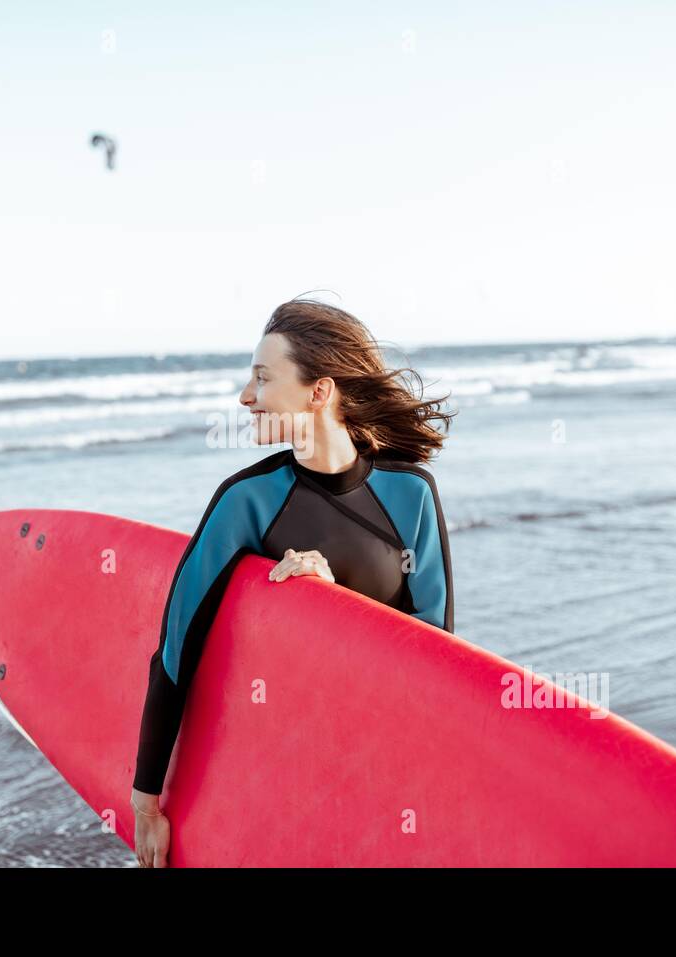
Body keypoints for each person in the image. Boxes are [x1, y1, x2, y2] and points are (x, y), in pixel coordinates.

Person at [130, 298, 457, 867]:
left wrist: (330, 604)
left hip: (378, 771)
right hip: (285, 764)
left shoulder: (412, 497)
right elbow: (177, 649)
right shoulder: (247, 500)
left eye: (262, 376)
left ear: (318, 392)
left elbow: (433, 659)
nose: (245, 396)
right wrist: (145, 803)